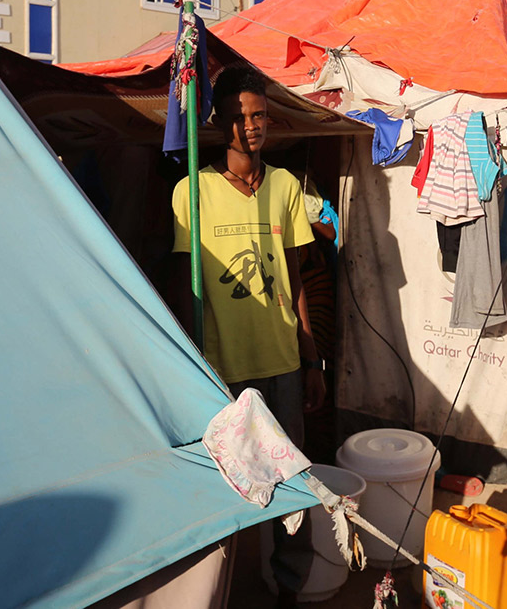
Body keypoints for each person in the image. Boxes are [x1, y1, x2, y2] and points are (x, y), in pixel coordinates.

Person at [169, 64, 327, 607]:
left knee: (292, 482)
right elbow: (185, 291)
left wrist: (312, 359)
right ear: (219, 123)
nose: (251, 126)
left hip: (283, 360)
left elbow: (296, 280)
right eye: (239, 116)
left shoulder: (284, 187)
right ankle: (227, 591)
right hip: (223, 368)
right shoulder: (191, 191)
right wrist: (194, 366)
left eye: (259, 115)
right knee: (230, 484)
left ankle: (289, 587)